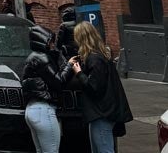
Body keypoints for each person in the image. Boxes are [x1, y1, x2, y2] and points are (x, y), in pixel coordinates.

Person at [69, 22, 133, 153]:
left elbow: (94, 88)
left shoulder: (95, 59)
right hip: (103, 113)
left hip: (102, 114)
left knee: (104, 149)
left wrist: (79, 73)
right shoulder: (101, 57)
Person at [21, 26, 73, 153]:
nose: (52, 44)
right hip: (43, 110)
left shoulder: (32, 58)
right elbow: (59, 81)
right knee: (52, 150)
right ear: (43, 41)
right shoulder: (43, 59)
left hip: (31, 110)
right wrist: (69, 65)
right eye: (50, 41)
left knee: (41, 150)